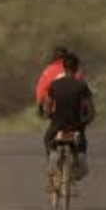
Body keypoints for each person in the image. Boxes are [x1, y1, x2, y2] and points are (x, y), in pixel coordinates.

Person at [42, 53, 96, 186]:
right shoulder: (82, 85)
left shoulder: (54, 85)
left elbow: (48, 107)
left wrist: (49, 116)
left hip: (57, 124)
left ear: (63, 68)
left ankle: (52, 156)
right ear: (76, 68)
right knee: (82, 143)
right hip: (75, 124)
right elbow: (91, 110)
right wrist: (85, 122)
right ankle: (81, 161)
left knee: (48, 138)